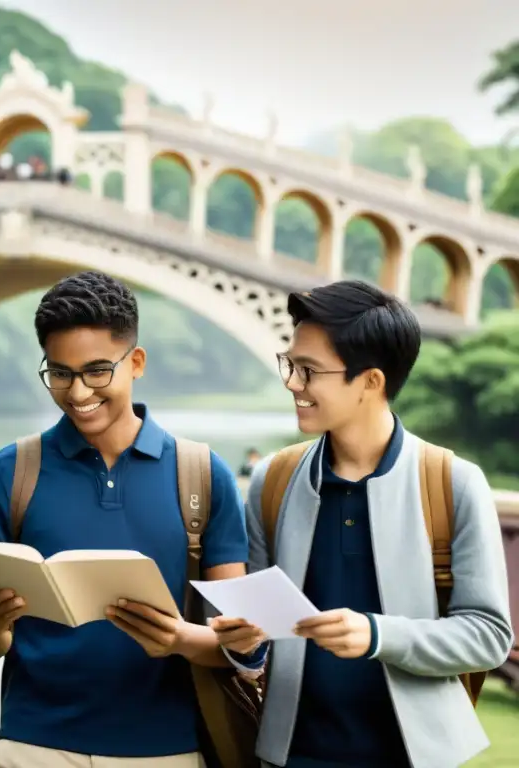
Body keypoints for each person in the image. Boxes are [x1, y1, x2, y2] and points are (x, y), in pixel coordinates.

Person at [213, 280, 514, 767]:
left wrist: (379, 635)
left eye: (309, 371)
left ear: (371, 381)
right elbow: (258, 637)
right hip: (290, 756)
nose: (292, 383)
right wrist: (245, 645)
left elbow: (488, 636)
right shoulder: (273, 479)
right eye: (291, 364)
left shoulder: (453, 483)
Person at [0, 270, 255, 767]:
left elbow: (241, 647)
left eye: (97, 371)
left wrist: (180, 638)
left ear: (135, 362)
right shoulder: (9, 473)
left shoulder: (203, 476)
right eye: (60, 373)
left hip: (167, 749)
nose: (78, 393)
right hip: (32, 745)